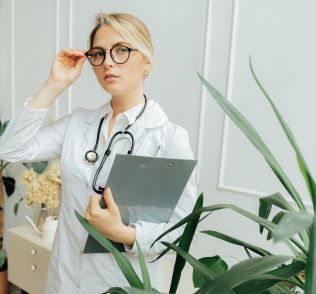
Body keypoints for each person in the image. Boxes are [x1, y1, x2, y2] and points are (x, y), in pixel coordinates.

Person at [0, 13, 197, 293]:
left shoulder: (169, 139)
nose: (107, 62)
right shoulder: (78, 124)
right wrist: (55, 84)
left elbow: (178, 230)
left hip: (121, 284)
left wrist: (124, 234)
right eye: (99, 53)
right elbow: (11, 148)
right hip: (64, 279)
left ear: (146, 61)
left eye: (121, 50)